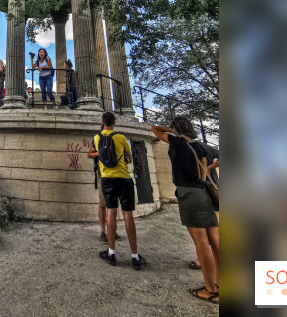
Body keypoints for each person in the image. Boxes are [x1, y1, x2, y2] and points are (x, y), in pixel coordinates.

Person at [151, 117, 219, 304]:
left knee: (201, 243)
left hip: (189, 195)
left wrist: (172, 131)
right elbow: (202, 175)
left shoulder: (175, 141)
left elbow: (154, 129)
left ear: (176, 128)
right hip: (204, 193)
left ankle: (211, 291)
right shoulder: (200, 147)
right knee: (215, 241)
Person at [87, 112, 147, 270]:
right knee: (128, 215)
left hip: (107, 179)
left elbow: (89, 153)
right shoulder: (120, 138)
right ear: (114, 123)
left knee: (110, 213)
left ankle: (111, 253)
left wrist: (101, 154)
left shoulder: (97, 137)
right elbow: (129, 159)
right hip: (124, 179)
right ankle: (135, 256)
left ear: (102, 122)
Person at [189, 140, 219, 270]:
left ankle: (204, 259)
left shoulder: (195, 146)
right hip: (210, 188)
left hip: (208, 189)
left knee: (208, 228)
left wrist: (208, 167)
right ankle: (204, 258)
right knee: (210, 228)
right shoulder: (204, 146)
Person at [87, 143, 121, 243]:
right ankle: (103, 232)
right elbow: (89, 154)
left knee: (113, 204)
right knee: (103, 204)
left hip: (115, 174)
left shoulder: (116, 139)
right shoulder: (98, 140)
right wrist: (100, 153)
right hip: (102, 175)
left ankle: (113, 230)